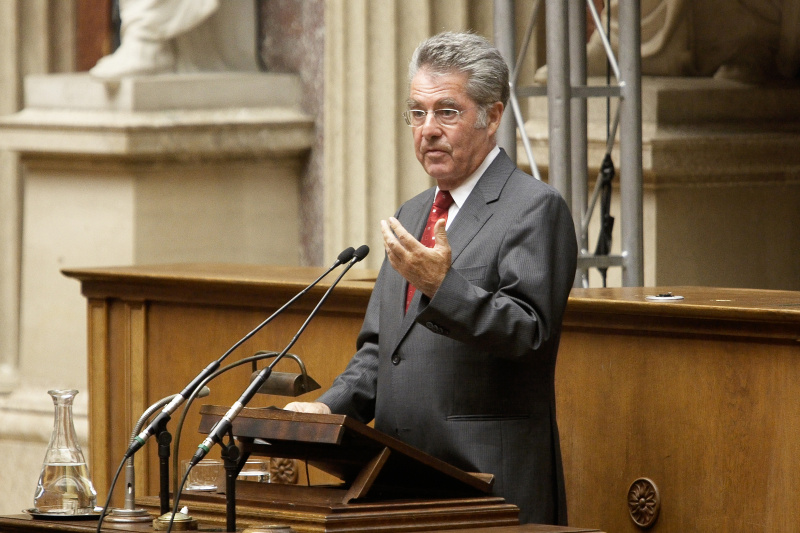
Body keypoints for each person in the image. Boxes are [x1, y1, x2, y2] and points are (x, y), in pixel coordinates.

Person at [286, 31, 577, 525]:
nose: (428, 130)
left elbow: (526, 332)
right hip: (398, 477)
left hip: (487, 482)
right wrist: (329, 409)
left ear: (493, 117)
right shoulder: (414, 211)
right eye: (417, 113)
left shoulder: (534, 208)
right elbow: (382, 351)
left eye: (448, 111)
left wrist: (445, 288)